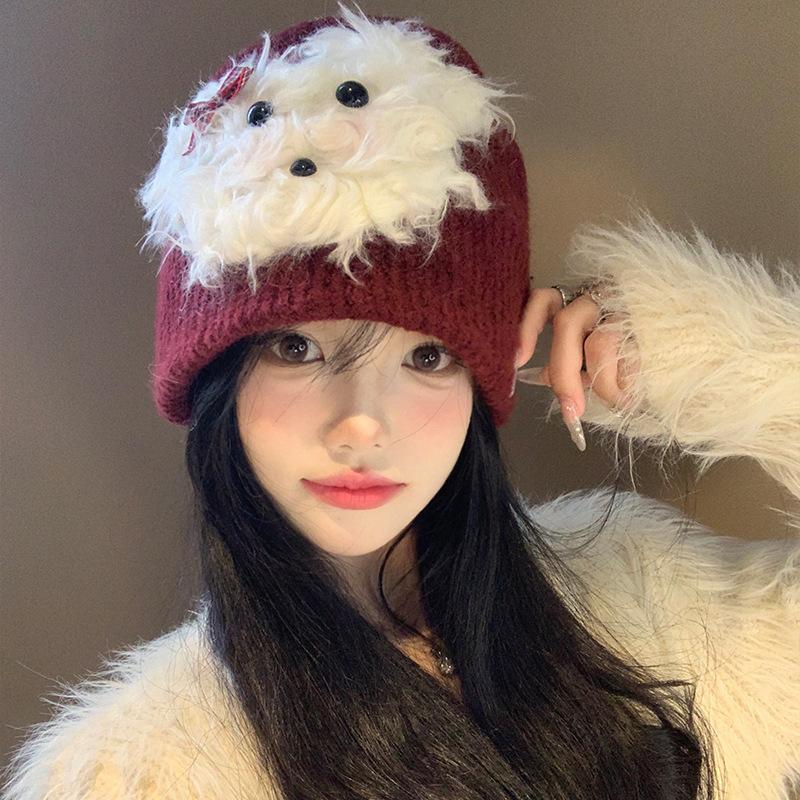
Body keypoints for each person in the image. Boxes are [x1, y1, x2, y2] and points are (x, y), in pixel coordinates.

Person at [2, 6, 798, 800]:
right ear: (217, 378)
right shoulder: (133, 774)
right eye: (296, 348)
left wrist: (702, 356)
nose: (362, 423)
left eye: (427, 355)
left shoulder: (653, 598)